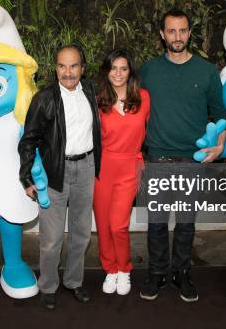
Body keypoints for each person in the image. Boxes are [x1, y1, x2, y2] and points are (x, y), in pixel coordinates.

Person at [139, 9, 226, 302]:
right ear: (162, 34)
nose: (177, 37)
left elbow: (220, 114)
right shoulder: (149, 70)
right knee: (156, 224)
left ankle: (182, 273)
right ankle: (157, 273)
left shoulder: (207, 71)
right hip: (157, 160)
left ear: (189, 33)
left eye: (182, 31)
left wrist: (220, 146)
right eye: (171, 31)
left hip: (193, 161)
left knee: (187, 223)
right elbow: (133, 110)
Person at [18, 44, 102, 310]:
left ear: (82, 68)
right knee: (52, 237)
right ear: (55, 69)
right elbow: (28, 140)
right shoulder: (44, 98)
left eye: (74, 65)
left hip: (86, 168)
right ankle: (48, 285)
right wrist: (26, 178)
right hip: (55, 172)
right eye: (62, 66)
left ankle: (74, 282)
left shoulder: (91, 92)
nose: (68, 72)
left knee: (81, 233)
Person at [94, 49, 150, 296]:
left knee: (118, 224)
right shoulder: (97, 100)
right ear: (107, 71)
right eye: (113, 68)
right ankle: (111, 269)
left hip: (130, 165)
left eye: (123, 68)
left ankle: (124, 269)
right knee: (104, 224)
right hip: (102, 166)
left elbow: (154, 130)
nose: (118, 73)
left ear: (130, 72)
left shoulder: (144, 98)